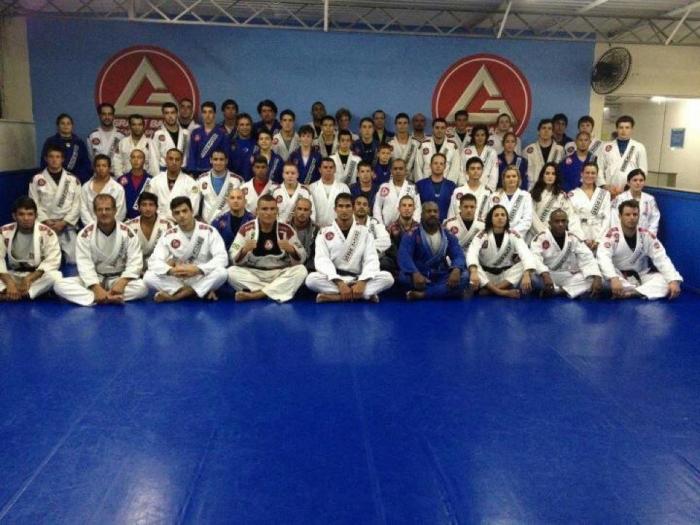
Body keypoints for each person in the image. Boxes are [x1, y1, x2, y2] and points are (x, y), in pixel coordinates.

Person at [54, 194, 148, 306]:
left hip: (118, 278)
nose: (104, 213)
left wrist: (123, 281)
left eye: (107, 209)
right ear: (95, 211)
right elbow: (84, 264)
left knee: (142, 288)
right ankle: (107, 297)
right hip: (96, 278)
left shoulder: (128, 233)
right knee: (59, 285)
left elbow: (135, 261)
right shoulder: (85, 234)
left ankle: (98, 297)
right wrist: (95, 287)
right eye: (100, 209)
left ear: (115, 210)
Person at [305, 193, 394, 302]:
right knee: (311, 280)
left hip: (358, 278)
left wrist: (362, 282)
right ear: (335, 209)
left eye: (348, 206)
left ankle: (336, 297)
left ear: (353, 209)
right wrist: (339, 282)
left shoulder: (365, 232)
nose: (344, 210)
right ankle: (362, 295)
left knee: (388, 278)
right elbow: (322, 260)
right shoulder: (324, 232)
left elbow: (371, 259)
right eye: (340, 206)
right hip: (335, 278)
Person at [144, 196, 229, 302]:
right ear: (173, 215)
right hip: (179, 278)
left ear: (191, 211)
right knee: (148, 277)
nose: (181, 215)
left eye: (184, 211)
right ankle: (199, 291)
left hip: (200, 276)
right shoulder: (168, 235)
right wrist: (170, 271)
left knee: (222, 273)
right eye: (177, 213)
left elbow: (222, 257)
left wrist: (198, 269)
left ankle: (177, 296)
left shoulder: (209, 231)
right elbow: (154, 261)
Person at [227, 194, 308, 303]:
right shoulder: (246, 229)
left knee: (301, 270)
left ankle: (257, 294)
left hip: (279, 272)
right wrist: (244, 250)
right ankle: (276, 290)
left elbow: (302, 256)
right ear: (257, 211)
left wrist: (291, 250)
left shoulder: (286, 230)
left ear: (277, 211)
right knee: (231, 272)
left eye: (272, 209)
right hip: (255, 273)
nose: (268, 213)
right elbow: (233, 255)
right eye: (264, 209)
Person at [597, 200, 681, 300]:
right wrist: (613, 277)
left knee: (667, 281)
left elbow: (661, 258)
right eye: (627, 214)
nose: (632, 218)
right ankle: (641, 290)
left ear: (638, 216)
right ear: (620, 216)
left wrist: (672, 280)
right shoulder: (611, 235)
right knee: (599, 278)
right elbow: (603, 257)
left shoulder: (646, 235)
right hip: (618, 276)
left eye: (635, 214)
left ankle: (633, 292)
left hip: (640, 276)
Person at [398, 201, 468, 300]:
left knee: (464, 276)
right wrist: (414, 273)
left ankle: (423, 294)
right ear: (422, 214)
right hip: (420, 273)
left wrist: (456, 269)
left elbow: (458, 253)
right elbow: (404, 255)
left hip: (441, 274)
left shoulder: (447, 234)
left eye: (435, 211)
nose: (432, 214)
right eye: (429, 211)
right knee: (403, 278)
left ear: (439, 214)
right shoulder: (412, 233)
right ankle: (444, 291)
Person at [467, 205, 536, 299]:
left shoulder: (513, 234)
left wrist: (526, 273)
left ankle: (492, 290)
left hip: (505, 276)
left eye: (503, 215)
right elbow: (472, 253)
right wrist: (474, 272)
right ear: (491, 219)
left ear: (507, 218)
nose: (500, 217)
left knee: (526, 264)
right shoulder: (482, 234)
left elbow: (525, 253)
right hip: (486, 276)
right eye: (496, 215)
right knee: (473, 266)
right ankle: (502, 292)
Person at [530, 209, 603, 298]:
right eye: (557, 221)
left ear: (567, 222)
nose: (560, 224)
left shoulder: (573, 238)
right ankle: (570, 289)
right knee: (533, 277)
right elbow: (535, 258)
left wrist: (597, 276)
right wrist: (544, 274)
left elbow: (587, 258)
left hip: (567, 275)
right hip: (547, 274)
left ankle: (560, 290)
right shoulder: (540, 238)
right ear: (550, 223)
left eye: (563, 221)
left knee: (593, 278)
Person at [0, 196, 62, 301]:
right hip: (13, 274)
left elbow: (53, 260)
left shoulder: (47, 233)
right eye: (21, 214)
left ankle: (10, 294)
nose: (26, 218)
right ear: (14, 216)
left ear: (36, 216)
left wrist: (29, 278)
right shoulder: (4, 231)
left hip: (36, 276)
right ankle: (21, 293)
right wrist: (9, 282)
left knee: (55, 276)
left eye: (30, 214)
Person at [28, 145, 82, 263]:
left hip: (66, 226)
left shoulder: (73, 180)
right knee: (41, 261)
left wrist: (64, 222)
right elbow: (33, 204)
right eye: (51, 156)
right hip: (46, 225)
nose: (54, 160)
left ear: (62, 159)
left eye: (58, 157)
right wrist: (46, 221)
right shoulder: (37, 179)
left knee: (75, 260)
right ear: (46, 159)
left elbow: (77, 205)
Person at [529, 162, 583, 240]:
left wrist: (578, 236)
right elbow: (531, 216)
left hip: (556, 235)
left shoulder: (561, 195)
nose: (550, 176)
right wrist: (543, 233)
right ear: (542, 175)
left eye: (553, 174)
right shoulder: (533, 194)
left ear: (556, 176)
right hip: (536, 234)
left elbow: (571, 215)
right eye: (547, 173)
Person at [600, 115, 648, 198]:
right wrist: (604, 185)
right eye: (621, 127)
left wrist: (633, 186)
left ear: (632, 129)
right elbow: (599, 167)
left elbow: (643, 170)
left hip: (631, 190)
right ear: (617, 129)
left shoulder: (639, 147)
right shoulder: (606, 147)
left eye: (627, 127)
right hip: (609, 190)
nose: (624, 130)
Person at [568, 162, 611, 253]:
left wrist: (599, 240)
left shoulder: (604, 194)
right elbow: (572, 220)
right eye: (587, 173)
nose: (590, 175)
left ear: (597, 175)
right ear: (582, 174)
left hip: (599, 233)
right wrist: (583, 239)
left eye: (593, 173)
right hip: (580, 235)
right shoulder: (572, 194)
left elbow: (607, 218)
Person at [125, 192, 173, 270]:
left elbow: (173, 251)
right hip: (134, 267)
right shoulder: (129, 226)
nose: (148, 208)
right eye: (144, 205)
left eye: (151, 205)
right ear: (138, 208)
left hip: (161, 268)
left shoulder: (167, 225)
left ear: (156, 208)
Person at [149, 148, 200, 220]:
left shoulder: (191, 183)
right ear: (166, 160)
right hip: (158, 221)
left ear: (182, 162)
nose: (174, 162)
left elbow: (193, 208)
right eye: (171, 159)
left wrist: (177, 219)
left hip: (182, 222)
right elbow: (149, 204)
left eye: (177, 159)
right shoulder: (155, 181)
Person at [40, 113, 92, 183]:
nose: (66, 126)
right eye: (62, 123)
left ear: (72, 126)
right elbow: (44, 162)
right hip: (54, 179)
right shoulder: (50, 142)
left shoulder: (79, 143)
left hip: (76, 179)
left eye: (68, 123)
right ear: (58, 126)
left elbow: (85, 163)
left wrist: (78, 178)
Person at [197, 148, 244, 223]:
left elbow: (243, 204)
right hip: (207, 223)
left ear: (226, 161)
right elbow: (195, 202)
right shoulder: (201, 179)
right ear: (210, 160)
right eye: (215, 159)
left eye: (221, 159)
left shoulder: (237, 180)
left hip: (228, 223)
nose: (218, 162)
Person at [610, 169, 660, 235]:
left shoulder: (650, 199)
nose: (638, 183)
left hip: (644, 236)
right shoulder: (620, 198)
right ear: (628, 182)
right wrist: (619, 235)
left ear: (644, 182)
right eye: (635, 180)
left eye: (641, 180)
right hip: (623, 235)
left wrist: (650, 235)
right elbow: (614, 219)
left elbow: (654, 219)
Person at [373, 158, 422, 226]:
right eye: (395, 169)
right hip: (386, 227)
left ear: (405, 171)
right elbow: (377, 206)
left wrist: (413, 225)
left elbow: (418, 207)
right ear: (391, 171)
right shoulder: (384, 187)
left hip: (407, 227)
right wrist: (380, 226)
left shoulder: (412, 187)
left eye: (401, 169)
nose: (398, 171)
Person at [80, 154, 126, 225]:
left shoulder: (118, 188)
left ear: (109, 168)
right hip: (90, 227)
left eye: (104, 166)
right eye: (98, 166)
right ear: (94, 168)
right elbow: (83, 209)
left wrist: (108, 226)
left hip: (112, 227)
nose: (101, 168)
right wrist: (93, 227)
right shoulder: (85, 187)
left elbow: (120, 213)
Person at [187, 101, 231, 175]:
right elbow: (192, 153)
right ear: (201, 114)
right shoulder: (195, 132)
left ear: (214, 114)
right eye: (204, 112)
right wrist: (191, 171)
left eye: (210, 112)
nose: (207, 115)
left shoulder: (222, 133)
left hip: (215, 172)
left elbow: (226, 154)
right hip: (197, 171)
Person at [488, 166, 533, 237]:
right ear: (503, 179)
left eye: (514, 176)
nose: (511, 179)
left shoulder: (525, 196)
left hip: (517, 235)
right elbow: (490, 217)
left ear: (518, 178)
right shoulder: (495, 196)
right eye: (508, 177)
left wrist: (511, 232)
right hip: (498, 234)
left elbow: (527, 220)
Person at [112, 114, 159, 179]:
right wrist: (121, 178)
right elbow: (117, 162)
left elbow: (154, 165)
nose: (137, 127)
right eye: (134, 125)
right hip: (125, 179)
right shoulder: (123, 142)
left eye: (140, 124)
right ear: (130, 126)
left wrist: (154, 180)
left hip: (145, 180)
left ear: (143, 126)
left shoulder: (150, 143)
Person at [414, 118, 461, 183]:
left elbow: (455, 168)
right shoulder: (424, 145)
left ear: (446, 129)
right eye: (437, 128)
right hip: (426, 183)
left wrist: (449, 185)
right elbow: (418, 167)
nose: (439, 130)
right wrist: (420, 184)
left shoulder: (452, 146)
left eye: (442, 128)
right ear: (432, 128)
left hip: (445, 184)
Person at [309, 158, 351, 227]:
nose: (328, 170)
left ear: (335, 169)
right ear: (320, 170)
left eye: (331, 167)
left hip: (337, 228)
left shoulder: (343, 187)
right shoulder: (312, 187)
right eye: (325, 167)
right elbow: (309, 209)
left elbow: (348, 209)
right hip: (316, 227)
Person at [524, 119, 564, 191]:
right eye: (543, 128)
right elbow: (523, 173)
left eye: (549, 128)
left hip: (553, 189)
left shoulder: (560, 150)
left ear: (552, 132)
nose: (546, 131)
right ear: (538, 131)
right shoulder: (528, 150)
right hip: (533, 189)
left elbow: (562, 172)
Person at [384, 195, 420, 274]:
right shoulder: (390, 228)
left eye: (410, 206)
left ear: (414, 209)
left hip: (415, 264)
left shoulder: (420, 229)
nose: (407, 208)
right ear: (399, 209)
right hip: (396, 265)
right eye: (404, 205)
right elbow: (388, 251)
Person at [416, 153, 457, 222]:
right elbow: (416, 208)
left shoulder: (451, 186)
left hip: (446, 224)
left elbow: (454, 209)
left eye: (441, 164)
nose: (438, 166)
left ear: (445, 166)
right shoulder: (420, 185)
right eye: (435, 163)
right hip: (424, 224)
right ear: (430, 165)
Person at [448, 157, 492, 222]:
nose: (476, 171)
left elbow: (490, 215)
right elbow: (451, 214)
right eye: (472, 168)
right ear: (467, 172)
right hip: (460, 226)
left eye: (478, 168)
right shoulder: (458, 191)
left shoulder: (487, 192)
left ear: (482, 171)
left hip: (481, 227)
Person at [443, 194, 485, 259]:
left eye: (472, 207)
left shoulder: (483, 225)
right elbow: (444, 247)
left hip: (476, 261)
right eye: (466, 207)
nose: (469, 210)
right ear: (460, 207)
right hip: (455, 260)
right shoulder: (448, 224)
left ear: (476, 207)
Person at [152, 102, 190, 172]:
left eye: (172, 113)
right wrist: (157, 175)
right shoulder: (158, 134)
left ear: (177, 114)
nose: (170, 116)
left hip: (182, 170)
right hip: (164, 170)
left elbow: (188, 154)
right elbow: (154, 157)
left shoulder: (186, 133)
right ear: (163, 115)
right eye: (167, 113)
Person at [117, 149, 154, 219]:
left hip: (146, 219)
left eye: (139, 157)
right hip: (125, 219)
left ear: (144, 161)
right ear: (130, 160)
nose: (136, 160)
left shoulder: (152, 180)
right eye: (133, 157)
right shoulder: (121, 180)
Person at [461, 124, 498, 190]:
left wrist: (490, 188)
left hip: (486, 188)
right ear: (473, 137)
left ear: (486, 136)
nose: (480, 138)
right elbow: (461, 170)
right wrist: (464, 186)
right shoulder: (466, 151)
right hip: (468, 187)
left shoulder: (492, 152)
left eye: (482, 135)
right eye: (477, 135)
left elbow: (494, 172)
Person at [287, 197, 318, 271]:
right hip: (286, 267)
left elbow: (315, 256)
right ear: (294, 210)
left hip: (306, 268)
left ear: (310, 213)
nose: (302, 212)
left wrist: (306, 269)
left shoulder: (316, 230)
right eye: (299, 209)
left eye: (306, 210)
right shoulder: (284, 227)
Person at [229, 113, 256, 181]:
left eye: (247, 124)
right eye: (242, 125)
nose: (245, 127)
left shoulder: (257, 144)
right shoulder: (230, 145)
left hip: (252, 184)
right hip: (234, 183)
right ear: (237, 127)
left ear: (251, 126)